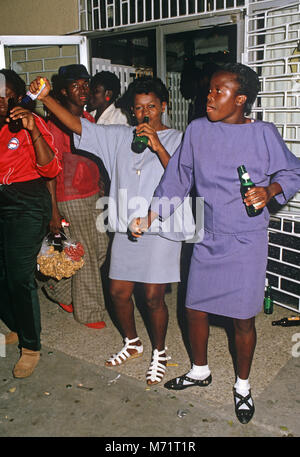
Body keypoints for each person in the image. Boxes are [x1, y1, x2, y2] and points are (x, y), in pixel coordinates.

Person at [130, 63, 300, 422]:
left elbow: (292, 171)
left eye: (218, 92)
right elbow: (179, 175)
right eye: (209, 90)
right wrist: (150, 216)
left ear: (240, 99)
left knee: (242, 318)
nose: (209, 97)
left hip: (246, 239)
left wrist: (269, 190)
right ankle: (200, 371)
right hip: (207, 234)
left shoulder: (264, 134)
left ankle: (242, 386)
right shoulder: (197, 131)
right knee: (194, 308)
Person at [30, 75, 194, 385]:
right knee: (118, 293)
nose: (145, 114)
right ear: (132, 111)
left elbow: (184, 178)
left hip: (161, 228)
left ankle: (160, 351)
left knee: (152, 298)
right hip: (126, 229)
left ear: (164, 106)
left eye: (151, 107)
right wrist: (46, 97)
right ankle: (132, 342)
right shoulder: (121, 136)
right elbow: (79, 127)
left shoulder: (180, 139)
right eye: (138, 109)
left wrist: (157, 145)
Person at [0, 68, 61, 378]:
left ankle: (31, 345)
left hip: (26, 203)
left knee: (19, 276)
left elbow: (50, 168)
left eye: (5, 94)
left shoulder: (30, 123)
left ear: (16, 96)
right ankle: (17, 325)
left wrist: (32, 128)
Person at [42, 64, 109, 329]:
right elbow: (48, 172)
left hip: (94, 193)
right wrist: (54, 211)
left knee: (99, 250)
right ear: (62, 92)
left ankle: (58, 290)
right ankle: (90, 312)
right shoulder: (53, 126)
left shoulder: (89, 120)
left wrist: (102, 182)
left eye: (85, 85)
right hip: (69, 196)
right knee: (89, 255)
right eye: (75, 86)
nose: (83, 90)